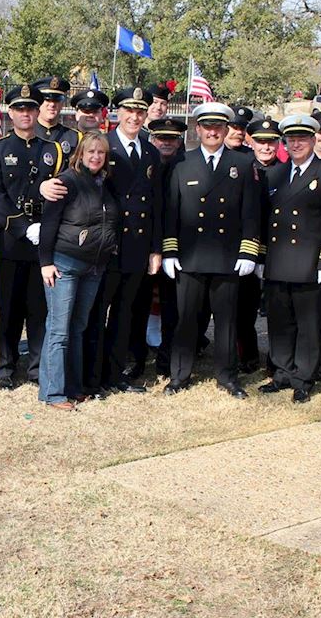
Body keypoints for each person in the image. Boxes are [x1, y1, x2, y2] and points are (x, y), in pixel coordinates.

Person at [161, 102, 262, 397]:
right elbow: (171, 212)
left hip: (228, 257)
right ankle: (179, 375)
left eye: (219, 127)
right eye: (207, 127)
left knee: (227, 322)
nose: (213, 132)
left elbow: (251, 213)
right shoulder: (181, 163)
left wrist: (248, 252)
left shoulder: (242, 164)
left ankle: (227, 377)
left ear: (226, 130)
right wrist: (169, 251)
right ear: (198, 129)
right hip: (190, 257)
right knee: (186, 320)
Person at [257, 115, 321, 403]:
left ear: (313, 140)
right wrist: (260, 257)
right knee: (280, 322)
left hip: (310, 264)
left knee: (308, 325)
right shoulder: (275, 175)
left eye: (302, 139)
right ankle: (282, 372)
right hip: (278, 261)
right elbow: (264, 219)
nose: (296, 144)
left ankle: (303, 378)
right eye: (291, 139)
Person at [0, 84, 63, 387]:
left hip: (43, 242)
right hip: (9, 240)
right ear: (10, 112)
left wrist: (44, 226)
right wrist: (22, 226)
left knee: (39, 308)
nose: (26, 113)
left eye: (30, 108)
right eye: (19, 108)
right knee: (7, 308)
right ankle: (4, 367)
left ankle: (36, 368)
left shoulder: (51, 150)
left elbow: (59, 191)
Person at [38, 132, 119, 411]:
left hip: (94, 267)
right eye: (91, 152)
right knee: (59, 330)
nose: (96, 157)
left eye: (101, 153)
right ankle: (53, 393)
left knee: (78, 328)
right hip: (64, 264)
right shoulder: (66, 181)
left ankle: (73, 387)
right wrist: (45, 262)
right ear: (80, 154)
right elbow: (48, 224)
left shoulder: (105, 184)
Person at [92, 86, 163, 393]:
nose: (135, 117)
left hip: (137, 247)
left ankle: (116, 373)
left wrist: (156, 248)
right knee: (97, 312)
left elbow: (156, 204)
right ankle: (92, 375)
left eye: (140, 112)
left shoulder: (150, 151)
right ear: (117, 113)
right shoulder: (101, 146)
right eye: (129, 111)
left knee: (125, 313)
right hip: (106, 245)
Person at [238, 116, 284, 377]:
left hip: (279, 253)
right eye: (261, 142)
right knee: (243, 310)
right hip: (248, 251)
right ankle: (247, 356)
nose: (266, 147)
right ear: (250, 142)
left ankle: (276, 361)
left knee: (277, 312)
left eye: (271, 142)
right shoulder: (242, 168)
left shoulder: (287, 171)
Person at [147, 117, 187, 375]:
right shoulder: (143, 162)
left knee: (173, 308)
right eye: (161, 138)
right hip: (144, 245)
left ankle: (168, 359)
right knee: (139, 303)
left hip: (177, 246)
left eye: (171, 138)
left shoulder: (186, 165)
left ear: (179, 141)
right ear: (152, 139)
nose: (166, 143)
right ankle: (137, 351)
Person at [32, 76, 80, 156]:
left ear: (62, 104)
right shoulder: (27, 134)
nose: (52, 104)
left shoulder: (75, 137)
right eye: (47, 100)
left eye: (57, 100)